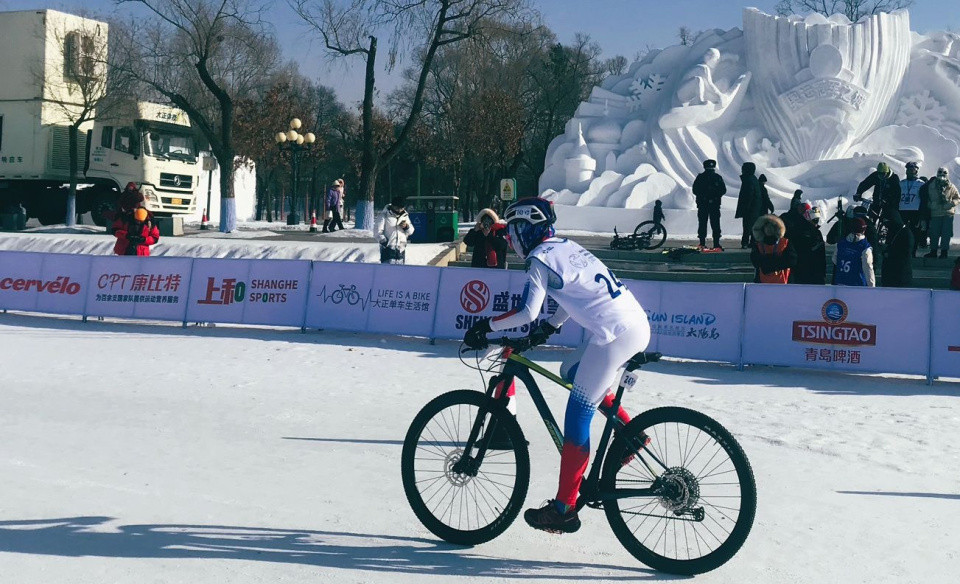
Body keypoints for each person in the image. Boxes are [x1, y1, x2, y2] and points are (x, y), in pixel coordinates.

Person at [462, 197, 650, 534]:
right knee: (571, 371)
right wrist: (550, 327)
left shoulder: (538, 258)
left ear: (528, 229)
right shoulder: (563, 246)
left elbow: (525, 313)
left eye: (516, 230)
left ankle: (564, 508)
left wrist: (485, 327)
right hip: (632, 324)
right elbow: (572, 291)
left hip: (613, 335)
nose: (512, 238)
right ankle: (630, 435)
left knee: (578, 412)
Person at [924, 167, 960, 259]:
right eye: (940, 172)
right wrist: (931, 205)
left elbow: (957, 198)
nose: (942, 174)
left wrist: (951, 204)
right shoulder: (931, 186)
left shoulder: (951, 186)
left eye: (944, 172)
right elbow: (926, 198)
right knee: (934, 234)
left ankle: (944, 252)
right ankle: (933, 251)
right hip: (935, 213)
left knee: (946, 234)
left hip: (947, 213)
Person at [749, 214, 797, 283]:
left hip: (784, 283)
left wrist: (768, 263)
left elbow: (792, 260)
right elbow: (755, 261)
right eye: (767, 226)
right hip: (762, 284)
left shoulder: (785, 243)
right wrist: (776, 261)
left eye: (772, 226)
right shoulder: (758, 244)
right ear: (763, 228)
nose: (769, 229)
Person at [788, 203, 827, 285]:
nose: (816, 222)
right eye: (814, 220)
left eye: (817, 220)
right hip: (804, 271)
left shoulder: (815, 232)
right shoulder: (798, 231)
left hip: (811, 271)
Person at [691, 159, 725, 250]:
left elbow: (695, 190)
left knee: (702, 223)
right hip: (714, 205)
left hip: (703, 204)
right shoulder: (718, 177)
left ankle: (702, 243)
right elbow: (723, 190)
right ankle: (716, 244)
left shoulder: (700, 177)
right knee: (715, 224)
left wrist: (704, 196)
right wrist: (714, 197)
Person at [833, 218, 875, 287]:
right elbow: (868, 268)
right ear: (864, 229)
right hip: (857, 285)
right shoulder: (865, 247)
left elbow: (834, 259)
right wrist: (872, 286)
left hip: (840, 283)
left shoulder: (841, 243)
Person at [375, 196, 414, 264]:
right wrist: (385, 243)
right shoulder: (384, 215)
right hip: (388, 248)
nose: (399, 210)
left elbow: (411, 231)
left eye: (401, 208)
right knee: (387, 271)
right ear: (392, 206)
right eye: (397, 208)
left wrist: (406, 227)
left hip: (401, 249)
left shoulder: (405, 216)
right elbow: (377, 231)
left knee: (399, 272)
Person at [881, 210, 914, 288]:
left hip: (901, 273)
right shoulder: (892, 231)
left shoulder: (906, 233)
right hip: (889, 272)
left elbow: (906, 251)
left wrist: (890, 253)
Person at [899, 161, 924, 256]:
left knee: (914, 231)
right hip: (902, 209)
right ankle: (902, 249)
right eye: (908, 169)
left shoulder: (921, 184)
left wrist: (922, 213)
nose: (910, 171)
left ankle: (913, 251)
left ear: (916, 170)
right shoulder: (901, 183)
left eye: (912, 169)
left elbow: (924, 199)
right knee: (902, 230)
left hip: (915, 210)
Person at [735, 162, 762, 249]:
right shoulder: (753, 179)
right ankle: (752, 241)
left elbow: (748, 195)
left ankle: (745, 242)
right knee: (752, 226)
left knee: (747, 226)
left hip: (750, 209)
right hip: (754, 209)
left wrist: (746, 207)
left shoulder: (748, 180)